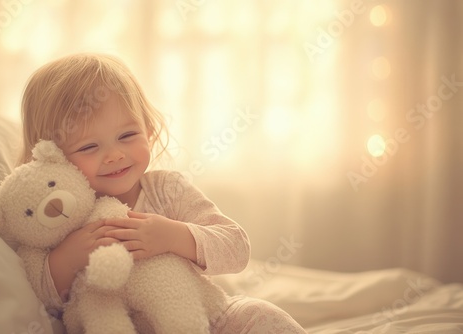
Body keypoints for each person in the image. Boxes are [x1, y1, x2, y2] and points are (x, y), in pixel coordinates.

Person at [19, 53, 307, 333]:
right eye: (88, 147)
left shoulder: (167, 190)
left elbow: (237, 248)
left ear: (149, 131)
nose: (115, 155)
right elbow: (38, 301)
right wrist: (67, 259)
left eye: (127, 135)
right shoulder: (56, 216)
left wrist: (174, 236)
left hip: (207, 321)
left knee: (258, 314)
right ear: (50, 157)